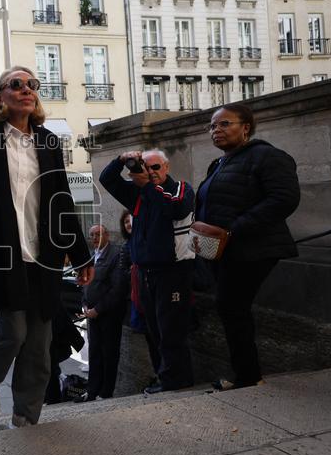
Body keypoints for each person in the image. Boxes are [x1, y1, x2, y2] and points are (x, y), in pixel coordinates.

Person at [0, 66, 93, 428]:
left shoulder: (48, 142)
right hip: (2, 251)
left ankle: (25, 419)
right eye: (16, 84)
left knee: (40, 346)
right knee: (13, 332)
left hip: (44, 254)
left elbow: (62, 199)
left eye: (32, 85)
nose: (26, 90)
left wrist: (81, 252)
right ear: (0, 97)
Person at [196, 103, 300, 391]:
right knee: (231, 308)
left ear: (246, 127)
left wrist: (234, 229)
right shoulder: (219, 164)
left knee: (231, 306)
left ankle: (248, 376)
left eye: (224, 124)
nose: (216, 130)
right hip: (223, 250)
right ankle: (247, 374)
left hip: (253, 248)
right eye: (212, 126)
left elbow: (284, 199)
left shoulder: (268, 156)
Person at [100, 148, 196, 395]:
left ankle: (176, 380)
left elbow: (175, 210)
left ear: (166, 168)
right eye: (145, 167)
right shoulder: (138, 194)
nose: (150, 173)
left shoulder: (181, 189)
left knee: (171, 330)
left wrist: (148, 187)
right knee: (153, 330)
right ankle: (164, 377)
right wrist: (121, 160)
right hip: (145, 273)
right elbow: (107, 179)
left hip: (173, 272)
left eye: (155, 167)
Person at [79, 224, 130, 401]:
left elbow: (118, 288)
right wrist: (85, 305)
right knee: (94, 352)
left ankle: (105, 393)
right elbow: (86, 283)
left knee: (109, 353)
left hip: (109, 314)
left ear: (107, 235)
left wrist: (98, 309)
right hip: (92, 313)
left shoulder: (116, 254)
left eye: (98, 234)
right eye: (92, 235)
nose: (94, 238)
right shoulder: (93, 255)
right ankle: (92, 391)